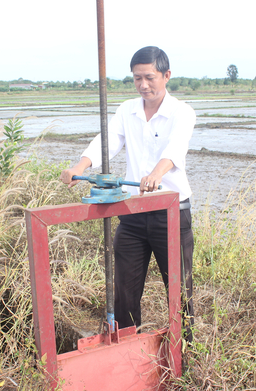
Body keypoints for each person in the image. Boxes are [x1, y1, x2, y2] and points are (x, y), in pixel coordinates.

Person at [59, 46, 195, 341]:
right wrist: (79, 166)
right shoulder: (127, 110)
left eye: (150, 77)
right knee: (124, 289)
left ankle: (186, 352)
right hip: (133, 213)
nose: (143, 85)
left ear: (166, 76)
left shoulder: (182, 112)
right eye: (137, 79)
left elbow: (176, 148)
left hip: (170, 213)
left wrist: (157, 174)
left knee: (179, 288)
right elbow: (107, 141)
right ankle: (127, 346)